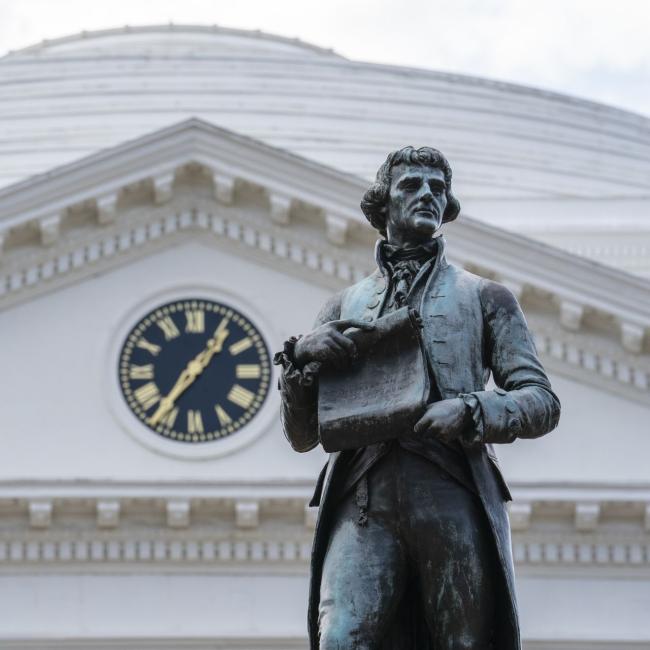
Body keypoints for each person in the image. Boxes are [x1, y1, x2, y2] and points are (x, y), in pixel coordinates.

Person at [274, 146, 561, 650]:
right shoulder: (342, 305)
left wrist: (472, 409)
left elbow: (540, 400)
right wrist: (299, 362)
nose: (428, 194)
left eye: (438, 188)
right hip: (364, 501)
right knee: (340, 639)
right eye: (412, 185)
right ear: (383, 203)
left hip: (450, 493)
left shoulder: (484, 297)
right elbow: (301, 436)